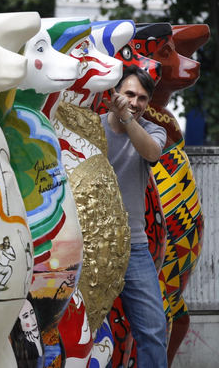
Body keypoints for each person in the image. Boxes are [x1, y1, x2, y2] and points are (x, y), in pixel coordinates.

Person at [101, 65, 168, 367]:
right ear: (114, 93)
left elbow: (152, 153)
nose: (135, 102)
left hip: (134, 245)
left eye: (142, 98)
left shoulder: (154, 130)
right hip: (91, 246)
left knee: (153, 330)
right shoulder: (90, 127)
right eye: (129, 94)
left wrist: (127, 118)